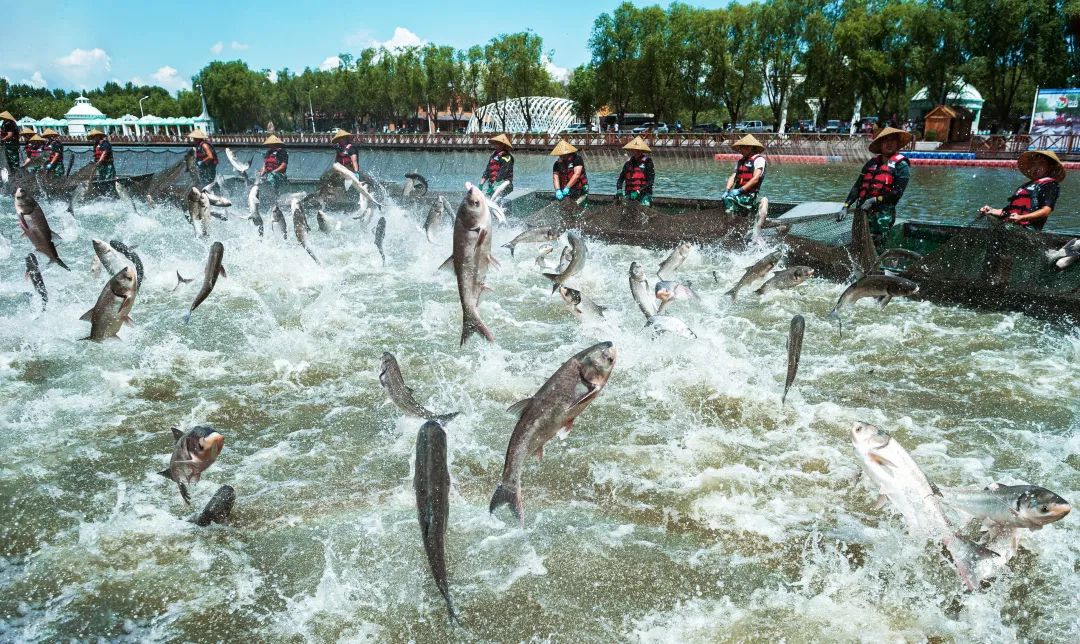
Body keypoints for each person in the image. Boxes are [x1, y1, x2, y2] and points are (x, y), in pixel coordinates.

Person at [843, 126, 912, 245]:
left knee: (877, 247)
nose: (889, 143)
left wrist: (874, 200)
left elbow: (897, 194)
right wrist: (846, 205)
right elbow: (857, 186)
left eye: (892, 140)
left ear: (897, 144)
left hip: (881, 218)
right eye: (885, 140)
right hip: (861, 214)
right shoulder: (871, 163)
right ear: (880, 144)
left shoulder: (902, 166)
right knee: (857, 245)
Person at [978, 150, 1065, 231]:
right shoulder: (1025, 186)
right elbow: (1009, 212)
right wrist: (991, 210)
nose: (1036, 167)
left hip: (1027, 229)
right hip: (1011, 226)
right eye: (1034, 164)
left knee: (1001, 228)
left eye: (1041, 163)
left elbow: (1046, 211)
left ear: (1050, 167)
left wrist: (1021, 218)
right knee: (988, 216)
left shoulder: (1050, 185)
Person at [722, 134, 769, 223]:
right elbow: (733, 176)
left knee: (728, 199)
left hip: (749, 195)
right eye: (739, 148)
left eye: (742, 148)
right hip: (738, 195)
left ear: (749, 147)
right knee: (725, 198)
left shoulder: (759, 160)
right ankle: (733, 221)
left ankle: (731, 224)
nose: (740, 150)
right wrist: (727, 190)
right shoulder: (741, 161)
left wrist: (740, 190)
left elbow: (755, 178)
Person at [616, 136, 655, 207]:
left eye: (638, 150)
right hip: (629, 194)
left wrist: (638, 191)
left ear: (642, 151)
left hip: (644, 194)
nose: (636, 152)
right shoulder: (628, 164)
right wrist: (619, 190)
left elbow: (650, 182)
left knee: (644, 210)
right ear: (632, 150)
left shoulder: (648, 162)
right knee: (624, 210)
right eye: (634, 150)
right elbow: (620, 180)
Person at [87, 129, 117, 197]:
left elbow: (104, 153)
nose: (93, 139)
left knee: (108, 180)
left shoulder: (105, 143)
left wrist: (99, 161)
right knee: (100, 179)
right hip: (100, 166)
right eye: (92, 137)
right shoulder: (96, 145)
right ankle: (102, 194)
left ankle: (111, 194)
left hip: (107, 165)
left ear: (98, 136)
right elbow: (96, 154)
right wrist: (96, 163)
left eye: (94, 137)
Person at [258, 134, 289, 198]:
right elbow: (265, 165)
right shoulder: (268, 152)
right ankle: (264, 195)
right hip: (269, 174)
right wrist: (261, 173)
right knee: (258, 176)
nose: (269, 146)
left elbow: (283, 166)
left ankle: (275, 196)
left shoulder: (282, 152)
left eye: (270, 144)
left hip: (279, 175)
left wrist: (274, 171)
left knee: (272, 176)